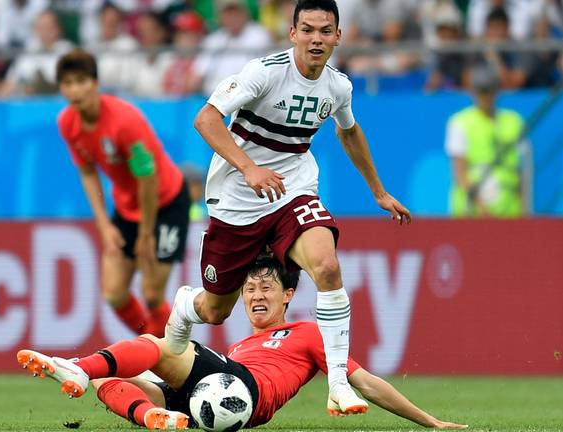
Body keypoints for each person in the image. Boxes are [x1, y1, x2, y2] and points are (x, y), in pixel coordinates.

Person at [164, 0, 412, 416]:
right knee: (215, 310)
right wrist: (249, 168)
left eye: (325, 31)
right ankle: (184, 304)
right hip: (238, 199)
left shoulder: (338, 86)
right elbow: (206, 119)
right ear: (292, 33)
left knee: (327, 267)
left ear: (338, 36)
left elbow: (348, 132)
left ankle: (337, 384)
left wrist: (379, 191)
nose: (317, 39)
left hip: (292, 190)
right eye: (308, 30)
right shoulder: (264, 73)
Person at [16, 258, 468, 431]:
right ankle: (154, 417)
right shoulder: (239, 344)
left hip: (243, 391)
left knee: (162, 345)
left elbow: (364, 383)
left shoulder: (308, 332)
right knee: (116, 380)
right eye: (249, 289)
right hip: (216, 402)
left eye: (267, 288)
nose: (255, 296)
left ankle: (78, 365)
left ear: (289, 295)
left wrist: (429, 422)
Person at [55, 49, 191, 337]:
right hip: (127, 207)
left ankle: (169, 357)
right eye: (67, 83)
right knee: (114, 293)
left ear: (95, 82)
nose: (75, 90)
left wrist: (145, 233)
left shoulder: (125, 121)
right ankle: (151, 345)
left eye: (81, 81)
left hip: (165, 202)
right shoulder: (67, 123)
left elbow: (149, 179)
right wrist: (104, 225)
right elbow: (88, 171)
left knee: (152, 294)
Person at [445, 65, 527, 218]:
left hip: (510, 211)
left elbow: (521, 173)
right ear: (473, 92)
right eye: (481, 91)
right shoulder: (459, 122)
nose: (486, 96)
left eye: (489, 90)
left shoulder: (514, 121)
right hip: (473, 212)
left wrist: (524, 211)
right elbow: (460, 174)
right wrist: (482, 206)